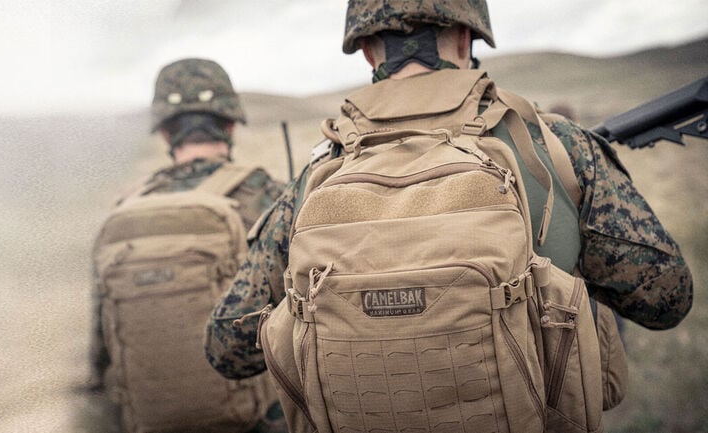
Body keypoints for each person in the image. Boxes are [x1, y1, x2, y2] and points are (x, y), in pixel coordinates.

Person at [204, 0, 692, 426]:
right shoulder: (554, 147)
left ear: (369, 49)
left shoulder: (319, 172)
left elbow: (228, 346)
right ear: (465, 35)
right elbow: (666, 298)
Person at [89, 58, 286, 432]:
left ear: (164, 132)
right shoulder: (272, 197)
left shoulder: (125, 211)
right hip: (260, 420)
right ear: (230, 124)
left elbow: (101, 347)